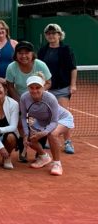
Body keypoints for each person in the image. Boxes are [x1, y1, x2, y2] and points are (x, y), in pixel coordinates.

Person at [20, 74, 75, 176]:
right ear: (28, 88)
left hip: (61, 119)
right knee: (30, 139)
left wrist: (44, 132)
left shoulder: (50, 98)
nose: (34, 90)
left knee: (52, 134)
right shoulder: (24, 98)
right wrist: (26, 134)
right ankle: (43, 156)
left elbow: (54, 121)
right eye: (31, 88)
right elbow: (23, 117)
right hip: (43, 122)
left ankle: (57, 164)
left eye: (37, 87)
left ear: (43, 87)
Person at [38, 22, 77, 155]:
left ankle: (68, 142)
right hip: (47, 88)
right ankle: (50, 139)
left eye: (54, 33)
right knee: (48, 115)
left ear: (59, 35)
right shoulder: (43, 51)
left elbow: (73, 68)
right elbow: (39, 68)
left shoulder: (66, 49)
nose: (51, 36)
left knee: (63, 115)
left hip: (62, 88)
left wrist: (73, 85)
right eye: (48, 34)